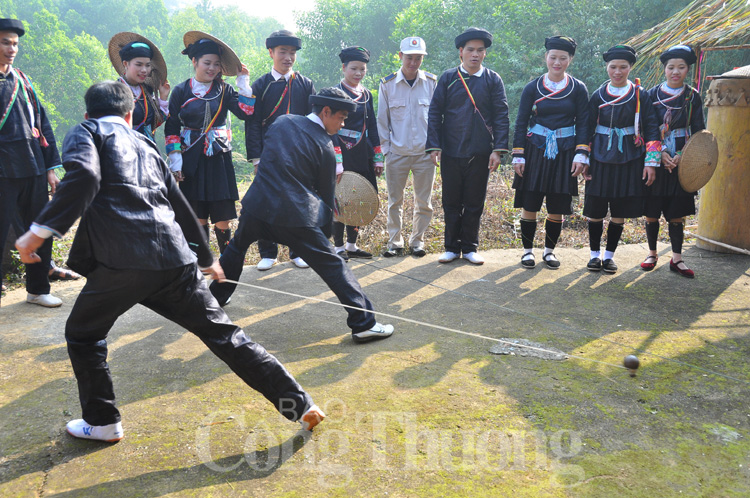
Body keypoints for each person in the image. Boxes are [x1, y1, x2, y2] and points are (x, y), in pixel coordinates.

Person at [14, 81, 324, 442]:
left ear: (87, 114)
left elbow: (84, 176)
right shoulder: (144, 142)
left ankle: (102, 422)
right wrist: (207, 257)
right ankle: (300, 405)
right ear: (130, 114)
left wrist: (38, 231)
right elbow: (179, 202)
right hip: (175, 259)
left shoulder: (87, 131)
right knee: (225, 335)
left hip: (123, 261)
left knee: (83, 336)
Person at [209, 87, 395, 344]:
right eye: (340, 117)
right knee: (333, 265)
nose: (342, 124)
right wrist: (324, 234)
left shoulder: (281, 122)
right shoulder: (325, 147)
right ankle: (364, 323)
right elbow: (325, 197)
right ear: (326, 111)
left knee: (236, 248)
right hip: (294, 217)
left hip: (257, 205)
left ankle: (214, 299)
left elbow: (270, 156)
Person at [165, 32, 255, 255]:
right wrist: (175, 160)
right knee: (196, 213)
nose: (212, 68)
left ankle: (228, 258)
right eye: (207, 63)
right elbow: (171, 127)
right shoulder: (181, 90)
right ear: (194, 62)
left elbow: (246, 112)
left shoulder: (224, 90)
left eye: (216, 64)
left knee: (223, 213)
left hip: (219, 158)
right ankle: (202, 258)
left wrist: (243, 81)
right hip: (190, 158)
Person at [426, 27, 510, 265]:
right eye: (470, 50)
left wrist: (498, 149)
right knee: (451, 201)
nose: (475, 54)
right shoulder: (448, 77)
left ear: (485, 53)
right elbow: (435, 113)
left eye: (480, 50)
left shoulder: (493, 80)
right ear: (461, 52)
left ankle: (471, 247)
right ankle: (451, 247)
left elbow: (501, 115)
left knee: (474, 202)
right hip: (451, 150)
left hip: (481, 152)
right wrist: (434, 145)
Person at [511, 36, 589, 270]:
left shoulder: (578, 88)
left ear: (570, 60)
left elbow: (584, 123)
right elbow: (521, 121)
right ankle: (527, 251)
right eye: (553, 57)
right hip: (536, 149)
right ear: (545, 57)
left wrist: (581, 154)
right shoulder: (532, 87)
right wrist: (518, 154)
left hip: (565, 152)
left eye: (563, 58)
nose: (557, 62)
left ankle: (549, 251)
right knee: (530, 202)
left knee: (557, 204)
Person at [0, 18, 62, 308]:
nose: (11, 49)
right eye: (5, 42)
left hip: (33, 166)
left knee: (42, 227)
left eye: (15, 44)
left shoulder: (23, 80)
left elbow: (43, 124)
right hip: (3, 171)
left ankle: (37, 289)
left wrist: (51, 168)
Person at [584, 45, 661, 274]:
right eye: (613, 67)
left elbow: (652, 129)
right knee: (596, 209)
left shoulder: (640, 95)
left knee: (619, 209)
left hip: (630, 157)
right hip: (599, 157)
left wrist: (651, 162)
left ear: (630, 68)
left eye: (623, 67)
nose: (618, 71)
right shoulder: (598, 95)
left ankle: (609, 256)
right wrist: (584, 157)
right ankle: (594, 255)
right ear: (607, 67)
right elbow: (587, 128)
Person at [246, 29, 315, 271]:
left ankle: (298, 251)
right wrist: (256, 157)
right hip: (269, 154)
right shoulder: (261, 85)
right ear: (271, 53)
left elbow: (313, 121)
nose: (288, 57)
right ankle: (267, 252)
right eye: (283, 52)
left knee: (298, 203)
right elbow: (252, 123)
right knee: (267, 202)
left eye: (292, 53)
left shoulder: (306, 84)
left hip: (299, 155)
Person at [641, 45, 704, 278]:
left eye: (681, 67)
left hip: (682, 158)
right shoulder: (651, 95)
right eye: (671, 67)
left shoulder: (692, 96)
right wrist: (661, 153)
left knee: (677, 210)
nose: (675, 71)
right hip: (655, 156)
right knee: (651, 209)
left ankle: (677, 258)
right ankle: (652, 253)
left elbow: (699, 131)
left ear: (688, 69)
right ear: (664, 69)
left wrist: (682, 155)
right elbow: (646, 128)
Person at [377, 37, 438, 258]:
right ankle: (395, 241)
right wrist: (386, 150)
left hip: (425, 154)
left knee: (424, 202)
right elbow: (382, 121)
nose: (414, 62)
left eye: (418, 58)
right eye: (410, 57)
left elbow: (437, 118)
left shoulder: (431, 82)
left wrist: (435, 148)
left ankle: (417, 241)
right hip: (397, 153)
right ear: (400, 56)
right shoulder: (387, 84)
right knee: (395, 201)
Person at [333, 46, 384, 260]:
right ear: (344, 68)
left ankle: (352, 246)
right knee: (340, 199)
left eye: (362, 69)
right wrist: (336, 161)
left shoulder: (366, 95)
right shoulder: (335, 94)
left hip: (362, 153)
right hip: (341, 152)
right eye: (353, 68)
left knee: (359, 198)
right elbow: (331, 128)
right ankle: (337, 248)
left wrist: (378, 155)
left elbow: (371, 125)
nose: (358, 73)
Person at [108, 32, 170, 142]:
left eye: (148, 65)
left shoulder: (147, 91)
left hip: (147, 147)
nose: (144, 70)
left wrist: (163, 97)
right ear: (125, 64)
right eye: (139, 65)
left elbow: (154, 123)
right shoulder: (114, 91)